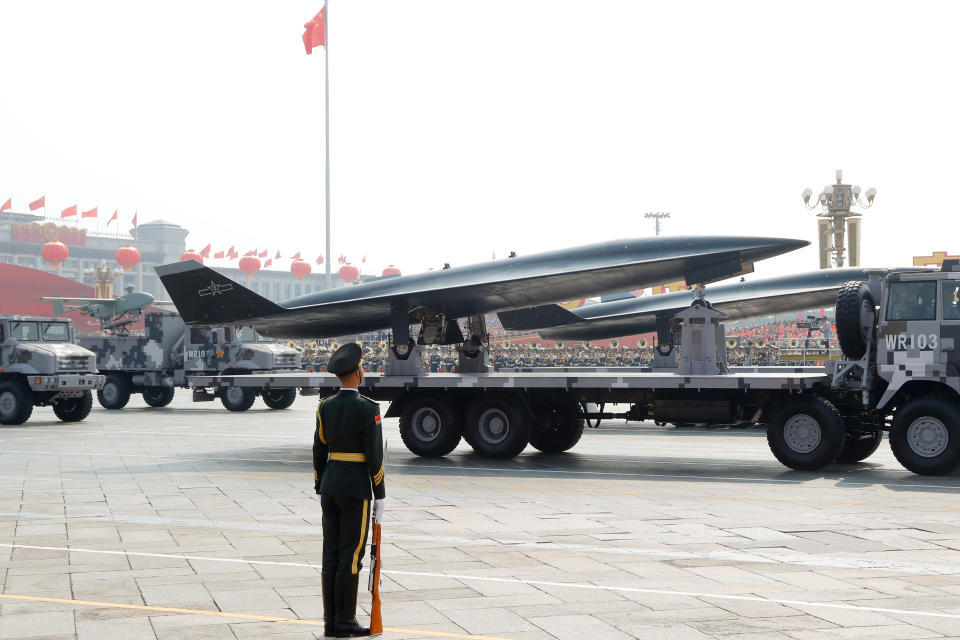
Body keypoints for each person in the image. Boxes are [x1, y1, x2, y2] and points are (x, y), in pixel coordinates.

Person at [313, 343, 386, 638]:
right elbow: (375, 456)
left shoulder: (324, 406)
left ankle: (330, 621)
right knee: (351, 554)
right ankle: (345, 621)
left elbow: (319, 448)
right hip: (356, 489)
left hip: (330, 485)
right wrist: (379, 493)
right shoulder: (369, 409)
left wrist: (320, 484)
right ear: (358, 373)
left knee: (330, 552)